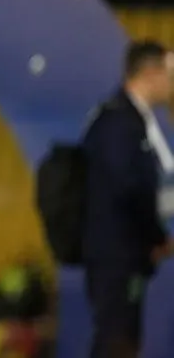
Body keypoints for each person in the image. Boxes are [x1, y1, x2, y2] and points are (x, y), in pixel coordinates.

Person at [82, 40, 174, 358]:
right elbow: (130, 188)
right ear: (150, 73)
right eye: (169, 74)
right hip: (116, 257)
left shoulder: (131, 119)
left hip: (124, 254)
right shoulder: (119, 122)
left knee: (122, 339)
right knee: (116, 340)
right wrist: (156, 236)